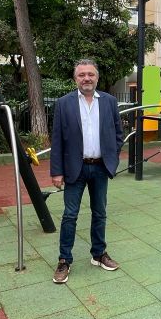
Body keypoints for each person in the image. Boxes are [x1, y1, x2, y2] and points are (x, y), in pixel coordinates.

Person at [49, 58, 123, 284]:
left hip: (100, 167)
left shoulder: (109, 102)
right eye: (81, 75)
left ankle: (99, 254)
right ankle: (64, 259)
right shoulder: (64, 103)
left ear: (97, 77)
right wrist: (56, 171)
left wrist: (112, 158)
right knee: (70, 215)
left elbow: (118, 134)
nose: (86, 78)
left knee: (100, 212)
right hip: (75, 169)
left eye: (90, 74)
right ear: (75, 79)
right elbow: (57, 140)